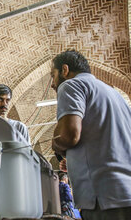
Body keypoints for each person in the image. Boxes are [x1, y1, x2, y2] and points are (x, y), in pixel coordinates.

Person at [51, 50, 131, 220]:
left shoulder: (71, 85)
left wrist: (55, 143)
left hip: (103, 198)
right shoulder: (115, 95)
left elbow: (68, 135)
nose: (52, 83)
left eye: (53, 75)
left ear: (65, 70)